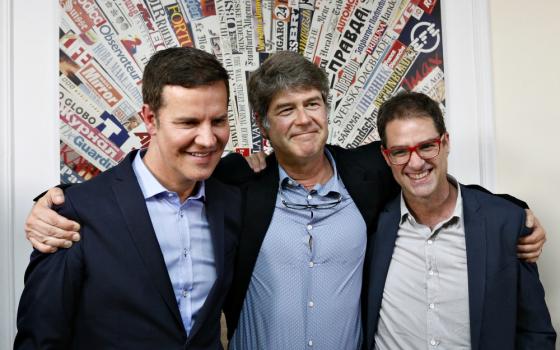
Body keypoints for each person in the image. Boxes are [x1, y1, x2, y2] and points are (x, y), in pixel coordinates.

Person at [24, 52, 547, 349]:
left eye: (313, 104)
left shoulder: (368, 173)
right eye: (285, 109)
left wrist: (509, 213)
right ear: (263, 125)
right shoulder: (236, 185)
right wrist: (49, 202)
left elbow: (426, 169)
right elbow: (120, 198)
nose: (303, 119)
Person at [15, 47, 241, 349]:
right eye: (188, 123)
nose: (208, 139)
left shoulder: (233, 199)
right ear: (150, 118)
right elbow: (40, 339)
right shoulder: (74, 212)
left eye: (218, 121)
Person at [363, 92, 556, 349]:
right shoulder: (372, 224)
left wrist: (520, 213)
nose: (416, 162)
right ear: (387, 157)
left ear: (445, 143)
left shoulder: (506, 223)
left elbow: (536, 333)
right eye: (400, 152)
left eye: (426, 146)